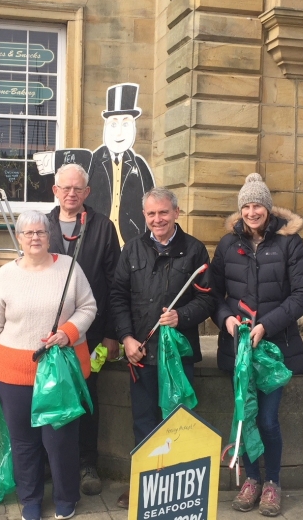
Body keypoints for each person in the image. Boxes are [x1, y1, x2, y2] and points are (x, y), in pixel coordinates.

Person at [0, 210, 97, 520]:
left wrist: (68, 333)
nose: (34, 238)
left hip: (60, 371)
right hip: (14, 372)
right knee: (23, 442)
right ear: (18, 238)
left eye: (40, 232)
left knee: (60, 440)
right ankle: (29, 499)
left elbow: (88, 307)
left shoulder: (69, 268)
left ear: (49, 236)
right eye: (28, 233)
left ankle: (65, 497)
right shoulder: (6, 275)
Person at [210, 173, 303, 517]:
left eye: (257, 205)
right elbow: (213, 294)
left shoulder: (289, 243)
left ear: (267, 208)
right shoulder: (228, 245)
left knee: (267, 419)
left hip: (275, 349)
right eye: (246, 206)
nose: (251, 212)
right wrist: (225, 318)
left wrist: (267, 325)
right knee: (246, 415)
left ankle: (273, 483)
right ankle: (251, 479)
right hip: (237, 348)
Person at [110, 187, 215, 509]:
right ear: (145, 216)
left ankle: (175, 490)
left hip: (177, 355)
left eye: (164, 212)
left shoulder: (195, 251)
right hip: (140, 354)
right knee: (143, 420)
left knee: (178, 419)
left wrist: (182, 316)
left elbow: (209, 298)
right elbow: (118, 296)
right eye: (151, 214)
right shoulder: (132, 250)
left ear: (176, 213)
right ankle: (144, 484)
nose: (158, 219)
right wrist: (126, 337)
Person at [46, 163, 121, 496]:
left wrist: (112, 334)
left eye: (78, 189)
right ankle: (52, 463)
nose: (71, 194)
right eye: (66, 188)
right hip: (48, 333)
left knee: (88, 398)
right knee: (51, 396)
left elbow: (117, 283)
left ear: (87, 193)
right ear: (55, 191)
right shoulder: (40, 226)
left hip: (91, 332)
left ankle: (87, 463)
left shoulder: (103, 227)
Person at [85, 83, 155, 245]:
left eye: (125, 124)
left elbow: (153, 208)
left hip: (131, 245)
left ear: (133, 127)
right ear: (105, 127)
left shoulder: (140, 166)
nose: (119, 132)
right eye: (114, 124)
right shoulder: (91, 162)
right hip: (97, 243)